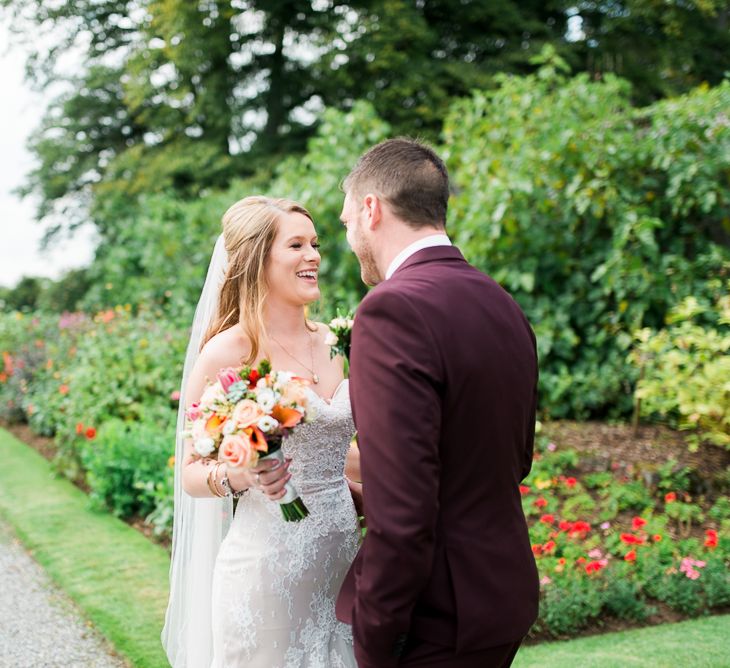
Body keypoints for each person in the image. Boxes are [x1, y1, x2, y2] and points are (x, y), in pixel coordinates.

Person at [336, 139, 540, 668]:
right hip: (501, 594)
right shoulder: (501, 303)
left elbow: (401, 513)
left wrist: (373, 642)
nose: (350, 239)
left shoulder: (391, 310)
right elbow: (517, 458)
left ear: (371, 209)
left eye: (346, 223)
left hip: (437, 618)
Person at [161, 196, 360, 667]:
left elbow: (335, 447)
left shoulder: (335, 344)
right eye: (296, 245)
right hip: (266, 574)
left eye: (314, 244)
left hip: (343, 568)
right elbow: (191, 472)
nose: (313, 255)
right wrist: (242, 476)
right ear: (257, 260)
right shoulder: (227, 353)